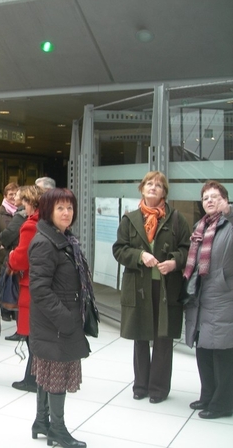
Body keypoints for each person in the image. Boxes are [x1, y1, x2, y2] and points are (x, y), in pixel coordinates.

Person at [113, 171, 190, 404]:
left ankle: (158, 389)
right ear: (142, 188)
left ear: (164, 191)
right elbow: (119, 249)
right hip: (139, 287)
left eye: (158, 185)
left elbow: (188, 250)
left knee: (163, 338)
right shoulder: (130, 219)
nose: (153, 187)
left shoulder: (177, 219)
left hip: (166, 288)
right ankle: (140, 385)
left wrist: (175, 261)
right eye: (149, 184)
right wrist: (139, 255)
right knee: (140, 336)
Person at [29, 188, 91, 447]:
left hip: (58, 320)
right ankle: (57, 430)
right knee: (55, 376)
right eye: (60, 209)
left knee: (47, 373)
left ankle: (42, 422)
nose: (67, 213)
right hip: (55, 323)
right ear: (48, 211)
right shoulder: (45, 243)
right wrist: (65, 319)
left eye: (70, 208)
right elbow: (40, 290)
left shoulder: (64, 239)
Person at [183, 180, 233, 419]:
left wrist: (230, 212)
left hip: (224, 296)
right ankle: (208, 395)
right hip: (201, 296)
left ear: (225, 199)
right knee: (203, 350)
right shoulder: (200, 226)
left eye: (215, 196)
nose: (210, 201)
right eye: (205, 198)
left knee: (222, 352)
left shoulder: (230, 224)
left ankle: (223, 403)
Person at [6, 184, 43, 392]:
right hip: (44, 283)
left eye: (25, 204)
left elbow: (22, 258)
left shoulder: (31, 225)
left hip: (31, 283)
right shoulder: (48, 222)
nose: (23, 209)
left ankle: (32, 378)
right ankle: (37, 376)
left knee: (31, 335)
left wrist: (11, 258)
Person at [0, 182, 19, 323]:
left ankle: (14, 308)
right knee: (4, 280)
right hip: (3, 254)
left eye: (15, 194)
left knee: (16, 281)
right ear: (5, 196)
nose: (13, 197)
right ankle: (5, 310)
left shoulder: (22, 211)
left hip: (17, 252)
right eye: (10, 194)